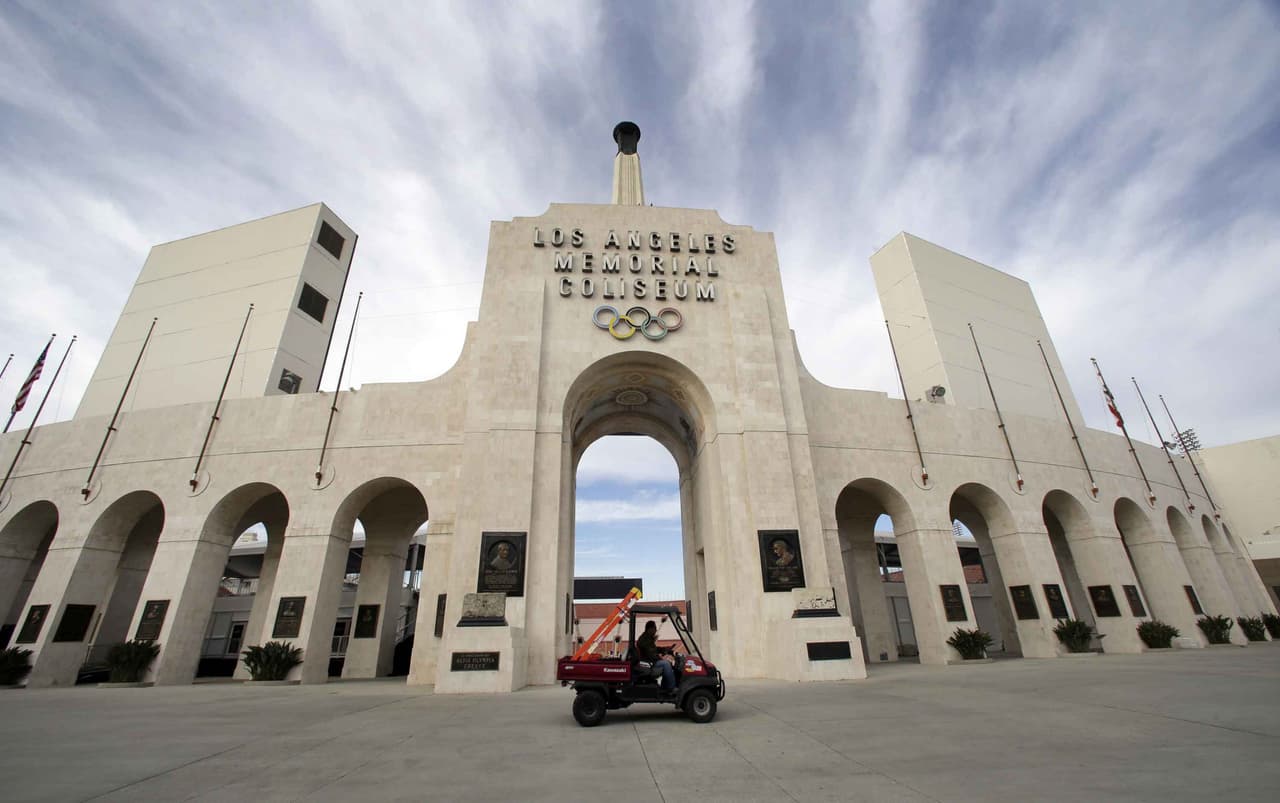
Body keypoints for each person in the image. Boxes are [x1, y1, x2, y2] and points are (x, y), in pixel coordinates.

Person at [635, 620, 675, 691]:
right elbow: (651, 653)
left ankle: (664, 687)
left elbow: (654, 649)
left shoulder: (648, 638)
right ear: (650, 629)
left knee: (666, 662)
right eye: (654, 628)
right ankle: (671, 688)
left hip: (650, 661)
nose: (656, 630)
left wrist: (665, 649)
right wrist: (660, 657)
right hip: (648, 662)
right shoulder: (645, 639)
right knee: (666, 664)